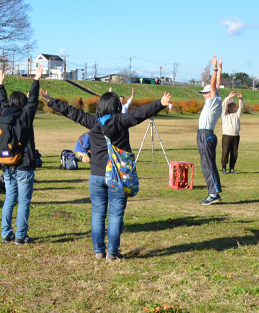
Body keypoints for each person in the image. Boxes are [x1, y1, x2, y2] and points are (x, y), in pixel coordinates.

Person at [42, 86, 172, 260]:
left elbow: (71, 112)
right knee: (116, 214)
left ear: (100, 107)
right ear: (116, 107)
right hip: (117, 176)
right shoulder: (121, 120)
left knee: (97, 213)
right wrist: (160, 103)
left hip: (96, 176)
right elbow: (140, 113)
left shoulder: (93, 122)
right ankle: (112, 251)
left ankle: (98, 251)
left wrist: (51, 101)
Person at [0, 66, 43, 245]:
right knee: (24, 202)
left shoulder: (4, 116)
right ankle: (21, 235)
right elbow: (32, 103)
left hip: (7, 166)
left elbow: (2, 102)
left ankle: (6, 233)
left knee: (9, 200)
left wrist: (0, 84)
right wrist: (36, 80)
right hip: (23, 166)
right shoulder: (24, 119)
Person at [196, 56, 224, 205]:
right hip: (205, 134)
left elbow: (213, 85)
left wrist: (214, 69)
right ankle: (213, 192)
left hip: (205, 134)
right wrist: (220, 69)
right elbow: (217, 85)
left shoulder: (213, 100)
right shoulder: (216, 100)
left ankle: (213, 194)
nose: (204, 95)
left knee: (208, 165)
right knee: (206, 163)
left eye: (205, 93)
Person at [220, 91, 245, 174]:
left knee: (234, 153)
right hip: (226, 135)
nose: (232, 107)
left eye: (233, 106)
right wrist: (229, 97)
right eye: (230, 106)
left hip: (236, 136)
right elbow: (223, 105)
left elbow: (241, 107)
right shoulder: (224, 114)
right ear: (227, 107)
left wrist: (240, 99)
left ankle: (232, 168)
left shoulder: (237, 114)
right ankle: (224, 168)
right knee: (225, 152)